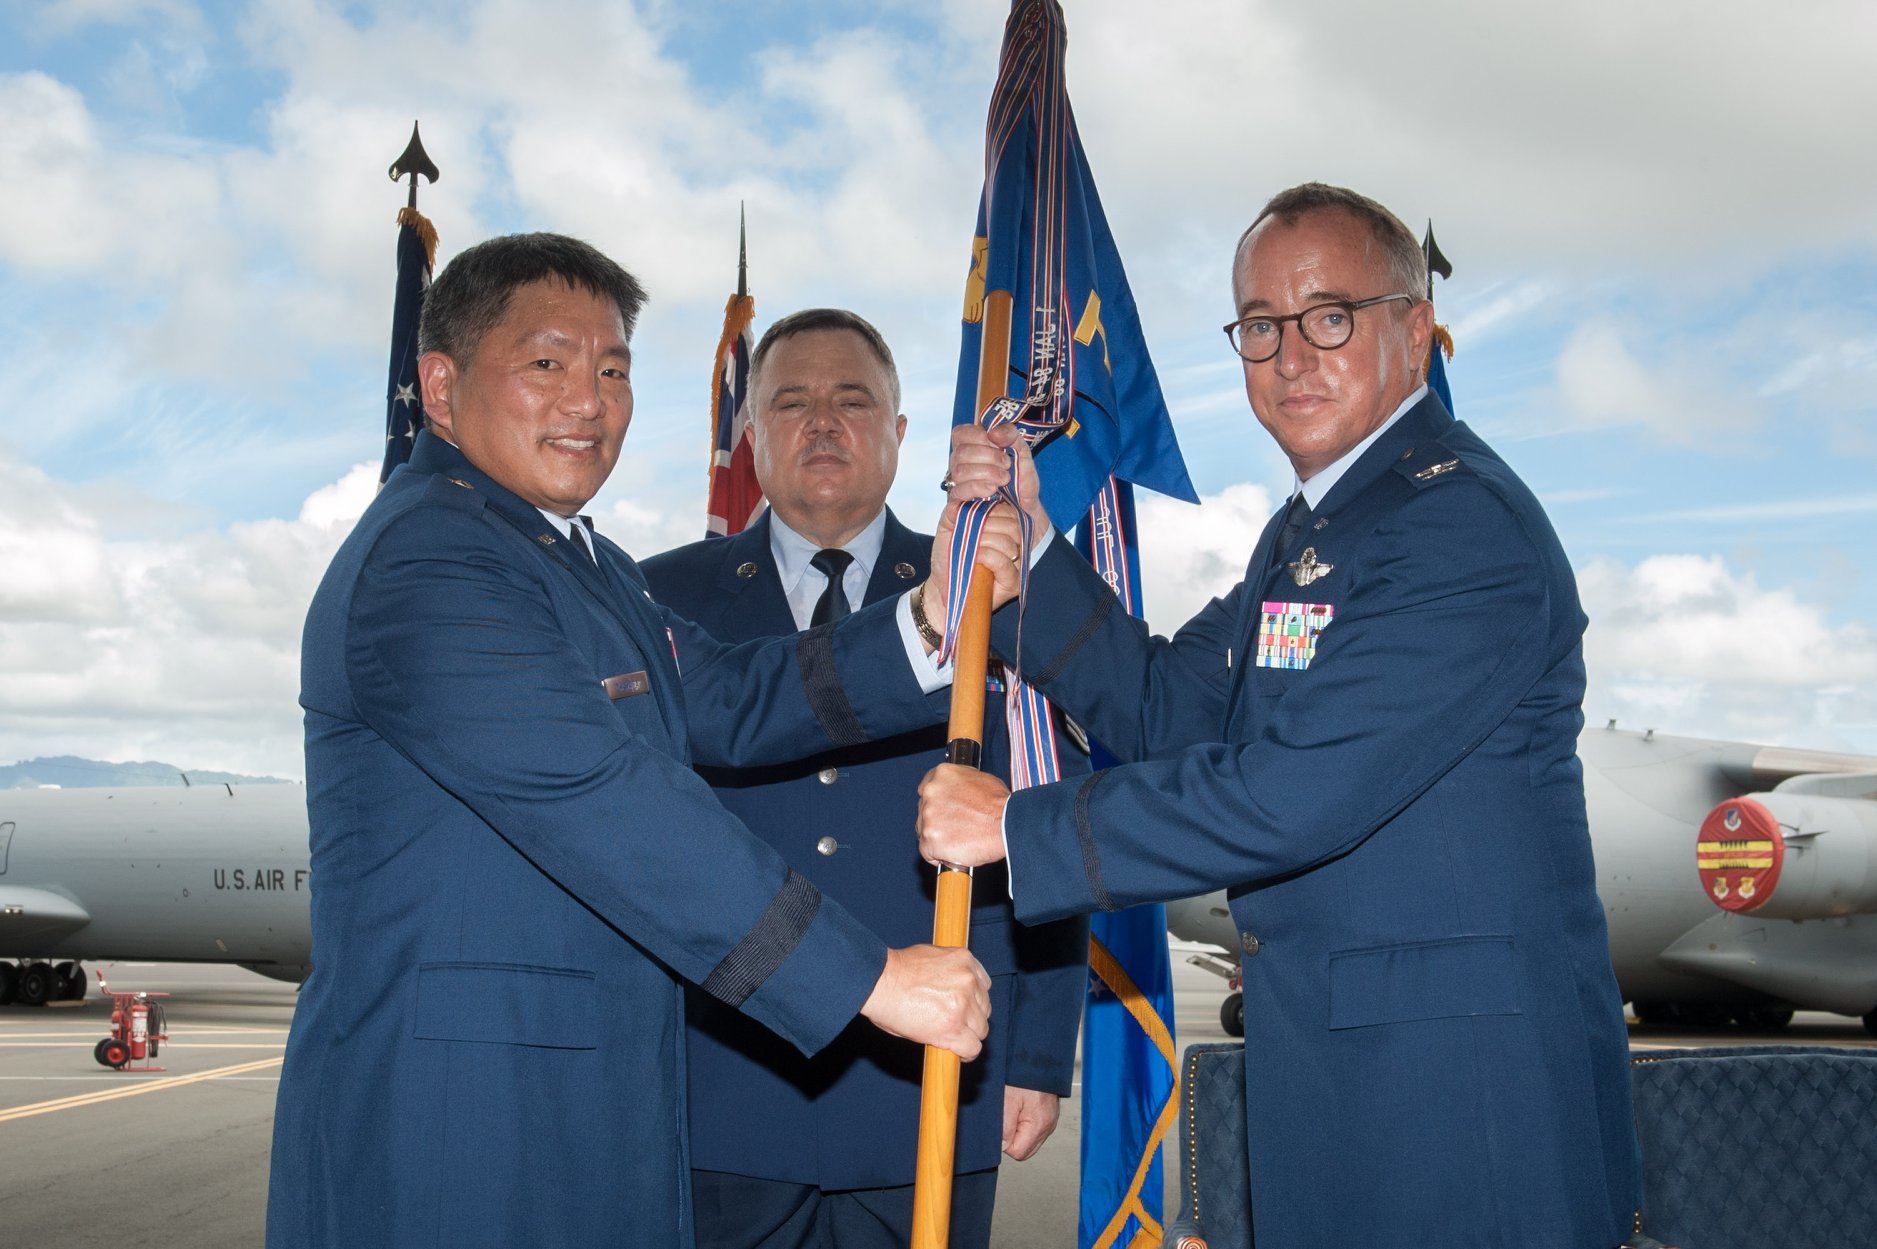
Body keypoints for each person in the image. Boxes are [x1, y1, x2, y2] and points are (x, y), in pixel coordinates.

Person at [268, 234, 1031, 1249]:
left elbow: (727, 692)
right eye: (547, 364)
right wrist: (871, 979)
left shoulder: (585, 565)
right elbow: (605, 797)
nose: (588, 400)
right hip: (464, 1122)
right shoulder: (429, 563)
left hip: (592, 1108)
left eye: (613, 369)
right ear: (440, 387)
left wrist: (931, 615)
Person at [923, 184, 1644, 1249]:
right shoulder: (1312, 533)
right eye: (1259, 325)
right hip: (1339, 1073)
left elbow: (1295, 790)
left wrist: (1020, 827)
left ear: (1410, 330)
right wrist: (1031, 551)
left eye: (1328, 316)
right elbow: (1176, 706)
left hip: (1461, 1103)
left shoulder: (1456, 528)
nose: (1289, 355)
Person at [641, 309, 1087, 1249]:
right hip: (724, 1080)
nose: (824, 422)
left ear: (900, 433)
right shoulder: (656, 600)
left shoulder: (990, 589)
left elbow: (1048, 817)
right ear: (751, 435)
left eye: (853, 400)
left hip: (931, 1077)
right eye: (792, 402)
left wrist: (1038, 1051)